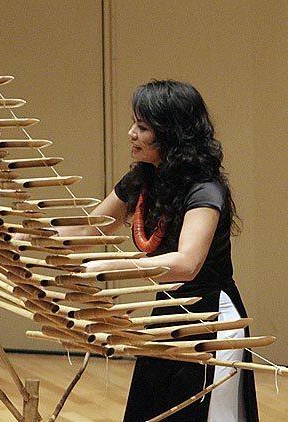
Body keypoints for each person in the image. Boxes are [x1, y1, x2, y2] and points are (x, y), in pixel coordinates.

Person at [57, 80, 258, 421]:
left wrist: (109, 267)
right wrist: (25, 235)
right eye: (135, 123)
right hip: (167, 313)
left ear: (172, 134)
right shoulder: (143, 179)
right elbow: (92, 228)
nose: (131, 133)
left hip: (209, 319)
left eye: (143, 127)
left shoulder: (204, 190)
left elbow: (187, 264)